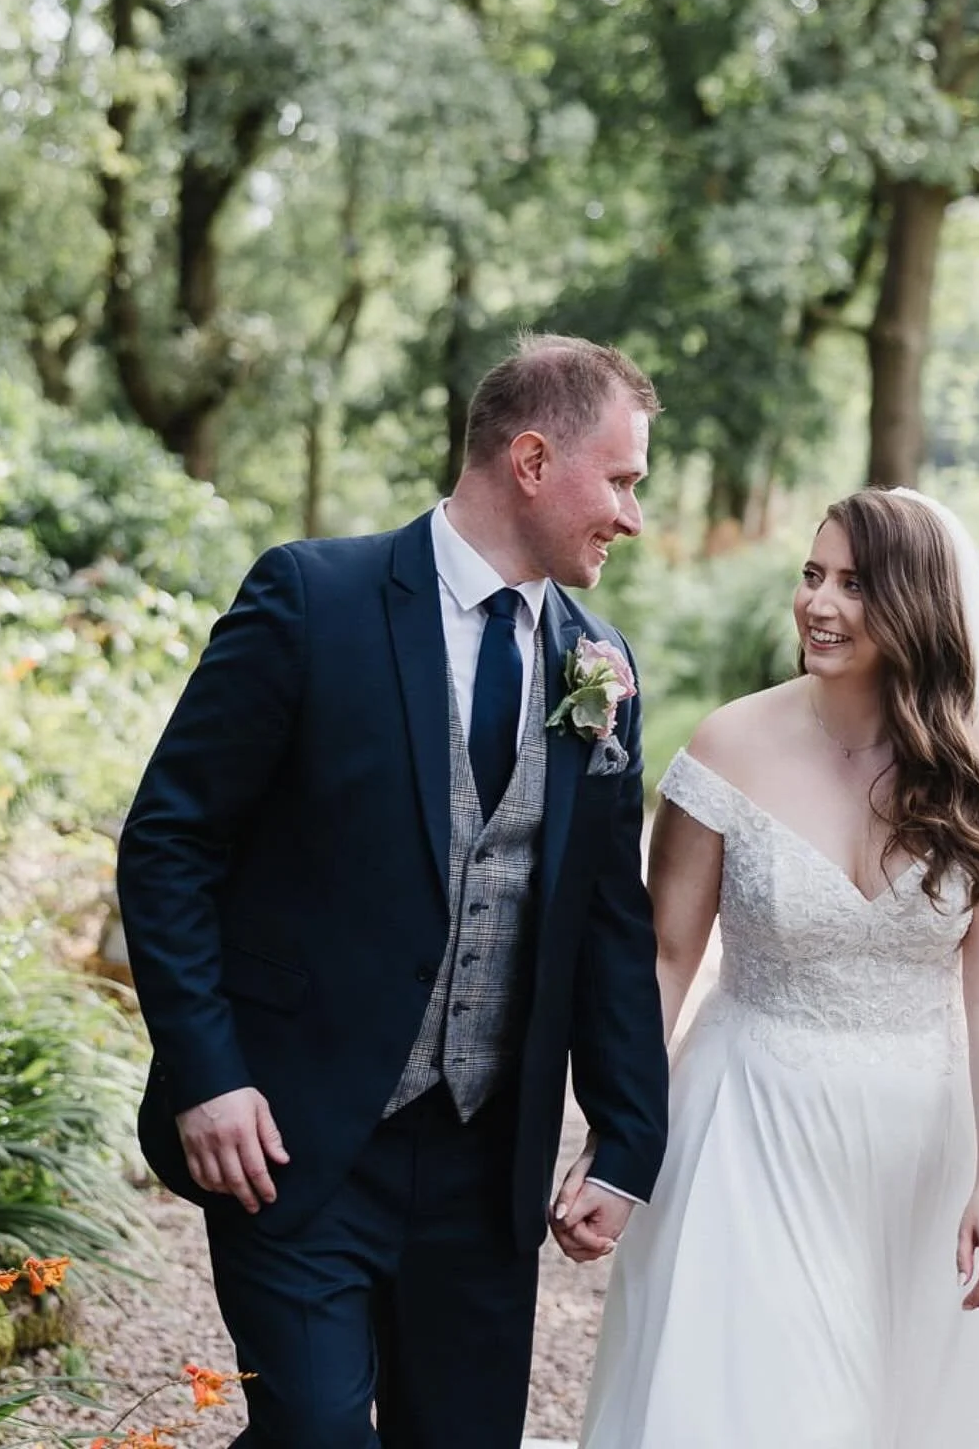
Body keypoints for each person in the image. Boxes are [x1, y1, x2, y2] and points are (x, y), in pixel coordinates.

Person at [117, 334, 669, 1449]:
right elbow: (169, 841)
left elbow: (607, 923)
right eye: (620, 480)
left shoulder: (597, 665)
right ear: (529, 460)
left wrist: (624, 1139)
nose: (632, 516)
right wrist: (207, 1076)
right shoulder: (314, 599)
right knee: (319, 1435)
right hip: (293, 1133)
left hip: (485, 1164)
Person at [571, 486, 979, 1448]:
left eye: (855, 584)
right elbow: (667, 958)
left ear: (918, 604)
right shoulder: (728, 745)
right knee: (765, 1407)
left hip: (934, 1140)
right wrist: (621, 1136)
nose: (820, 603)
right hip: (751, 1124)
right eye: (812, 576)